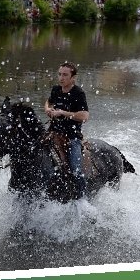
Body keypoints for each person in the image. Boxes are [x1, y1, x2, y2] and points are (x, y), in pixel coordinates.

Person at [44, 62, 90, 199]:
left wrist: (64, 113)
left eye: (65, 75)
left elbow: (85, 116)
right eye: (59, 74)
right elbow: (48, 101)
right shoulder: (56, 89)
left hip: (71, 137)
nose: (61, 78)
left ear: (73, 77)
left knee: (76, 170)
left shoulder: (78, 93)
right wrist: (47, 109)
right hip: (52, 133)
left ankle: (81, 199)